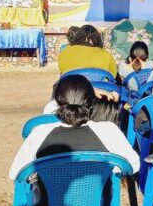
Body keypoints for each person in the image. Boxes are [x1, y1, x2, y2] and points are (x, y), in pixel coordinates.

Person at [9, 74, 139, 181]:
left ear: (58, 103)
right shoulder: (108, 131)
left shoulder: (40, 133)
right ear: (92, 102)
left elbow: (15, 173)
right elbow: (133, 165)